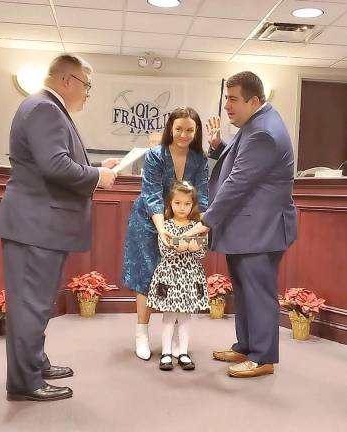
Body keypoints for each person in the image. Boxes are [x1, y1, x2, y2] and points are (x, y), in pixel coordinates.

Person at [0, 54, 117, 402]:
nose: (88, 93)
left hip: (40, 225)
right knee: (30, 305)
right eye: (87, 85)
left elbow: (55, 161)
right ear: (68, 80)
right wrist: (98, 177)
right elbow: (54, 166)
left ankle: (33, 363)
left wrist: (95, 166)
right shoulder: (44, 108)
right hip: (36, 225)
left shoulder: (44, 107)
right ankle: (24, 382)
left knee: (37, 303)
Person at [186, 71, 297, 378]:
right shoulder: (257, 124)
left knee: (257, 292)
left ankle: (262, 357)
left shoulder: (263, 131)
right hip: (248, 228)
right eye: (226, 99)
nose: (227, 107)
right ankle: (246, 346)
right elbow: (241, 162)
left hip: (260, 230)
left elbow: (238, 182)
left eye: (233, 100)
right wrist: (220, 145)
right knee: (246, 290)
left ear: (254, 100)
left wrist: (207, 221)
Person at [122, 107, 209, 361]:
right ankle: (141, 332)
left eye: (190, 130)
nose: (184, 134)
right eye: (179, 128)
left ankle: (174, 343)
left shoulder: (199, 158)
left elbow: (202, 197)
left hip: (183, 223)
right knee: (146, 275)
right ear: (170, 127)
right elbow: (151, 194)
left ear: (196, 131)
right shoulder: (155, 155)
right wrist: (161, 229)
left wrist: (197, 230)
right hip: (150, 221)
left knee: (177, 277)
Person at [146, 181, 209, 371]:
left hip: (189, 277)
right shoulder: (165, 226)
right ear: (170, 204)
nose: (182, 208)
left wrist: (195, 248)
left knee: (185, 318)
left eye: (187, 204)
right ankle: (166, 353)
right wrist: (180, 249)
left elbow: (201, 253)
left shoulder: (197, 226)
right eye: (178, 203)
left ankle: (183, 352)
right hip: (170, 276)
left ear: (193, 205)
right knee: (168, 316)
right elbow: (165, 252)